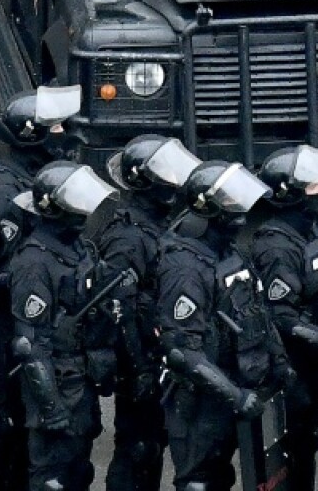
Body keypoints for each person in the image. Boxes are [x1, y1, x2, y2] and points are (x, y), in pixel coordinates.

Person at [157, 160, 291, 491]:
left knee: (232, 477)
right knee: (200, 482)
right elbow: (182, 352)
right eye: (232, 207)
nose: (241, 217)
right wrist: (235, 396)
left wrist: (278, 362)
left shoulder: (230, 255)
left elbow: (258, 311)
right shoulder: (185, 269)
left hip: (237, 383)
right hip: (201, 403)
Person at [0, 85, 80, 491]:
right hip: (8, 320)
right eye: (56, 127)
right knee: (9, 417)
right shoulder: (5, 192)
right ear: (32, 135)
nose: (65, 132)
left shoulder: (38, 174)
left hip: (34, 315)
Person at [94, 135, 200, 491]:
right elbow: (119, 310)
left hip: (156, 355)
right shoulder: (127, 238)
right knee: (137, 448)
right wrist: (138, 369)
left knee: (152, 445)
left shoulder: (155, 223)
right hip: (138, 360)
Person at [8, 161, 117, 491]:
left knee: (78, 472)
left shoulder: (80, 249)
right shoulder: (34, 262)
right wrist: (51, 407)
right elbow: (28, 344)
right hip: (54, 383)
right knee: (52, 479)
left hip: (80, 379)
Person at [251, 145, 318, 491]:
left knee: (306, 441)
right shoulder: (277, 247)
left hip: (308, 363)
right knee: (288, 451)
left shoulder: (308, 232)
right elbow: (280, 316)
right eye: (311, 186)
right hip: (288, 366)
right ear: (288, 195)